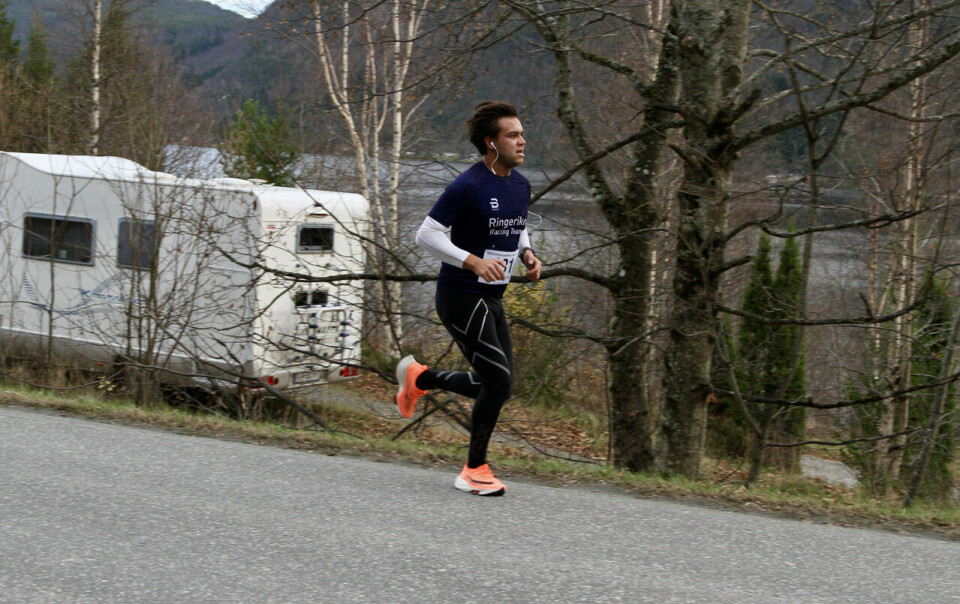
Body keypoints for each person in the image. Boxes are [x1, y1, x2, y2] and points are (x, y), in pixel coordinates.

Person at [394, 101, 542, 496]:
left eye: (521, 133)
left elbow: (516, 225)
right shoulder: (468, 186)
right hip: (460, 295)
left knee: (501, 385)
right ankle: (473, 469)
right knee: (498, 379)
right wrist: (472, 261)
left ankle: (420, 378)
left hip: (492, 298)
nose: (522, 140)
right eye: (513, 135)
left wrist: (527, 252)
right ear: (491, 143)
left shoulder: (520, 184)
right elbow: (426, 234)